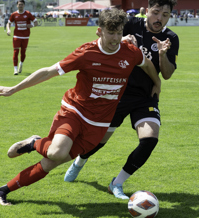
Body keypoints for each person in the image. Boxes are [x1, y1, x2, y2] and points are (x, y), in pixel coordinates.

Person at [0, 8, 161, 206]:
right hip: (75, 111)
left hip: (98, 124)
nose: (115, 38)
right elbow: (48, 72)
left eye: (119, 32)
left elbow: (147, 65)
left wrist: (157, 83)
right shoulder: (87, 53)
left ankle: (2, 190)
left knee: (49, 163)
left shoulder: (130, 52)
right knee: (56, 153)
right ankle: (35, 143)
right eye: (110, 32)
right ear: (99, 31)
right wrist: (14, 88)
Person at [64, 0, 179, 199]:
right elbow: (104, 40)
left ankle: (117, 183)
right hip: (116, 93)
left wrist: (162, 54)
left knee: (150, 139)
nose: (159, 18)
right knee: (97, 141)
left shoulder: (171, 38)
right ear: (148, 10)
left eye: (165, 14)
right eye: (156, 12)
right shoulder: (130, 24)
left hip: (145, 96)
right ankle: (79, 162)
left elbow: (167, 74)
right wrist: (122, 39)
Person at [7, 0, 38, 75]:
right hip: (16, 36)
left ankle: (21, 63)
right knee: (15, 51)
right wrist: (8, 30)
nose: (20, 6)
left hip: (25, 36)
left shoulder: (28, 14)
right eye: (19, 4)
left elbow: (36, 22)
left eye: (22, 4)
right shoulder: (14, 14)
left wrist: (32, 25)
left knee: (23, 52)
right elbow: (9, 23)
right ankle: (15, 69)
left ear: (24, 5)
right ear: (17, 5)